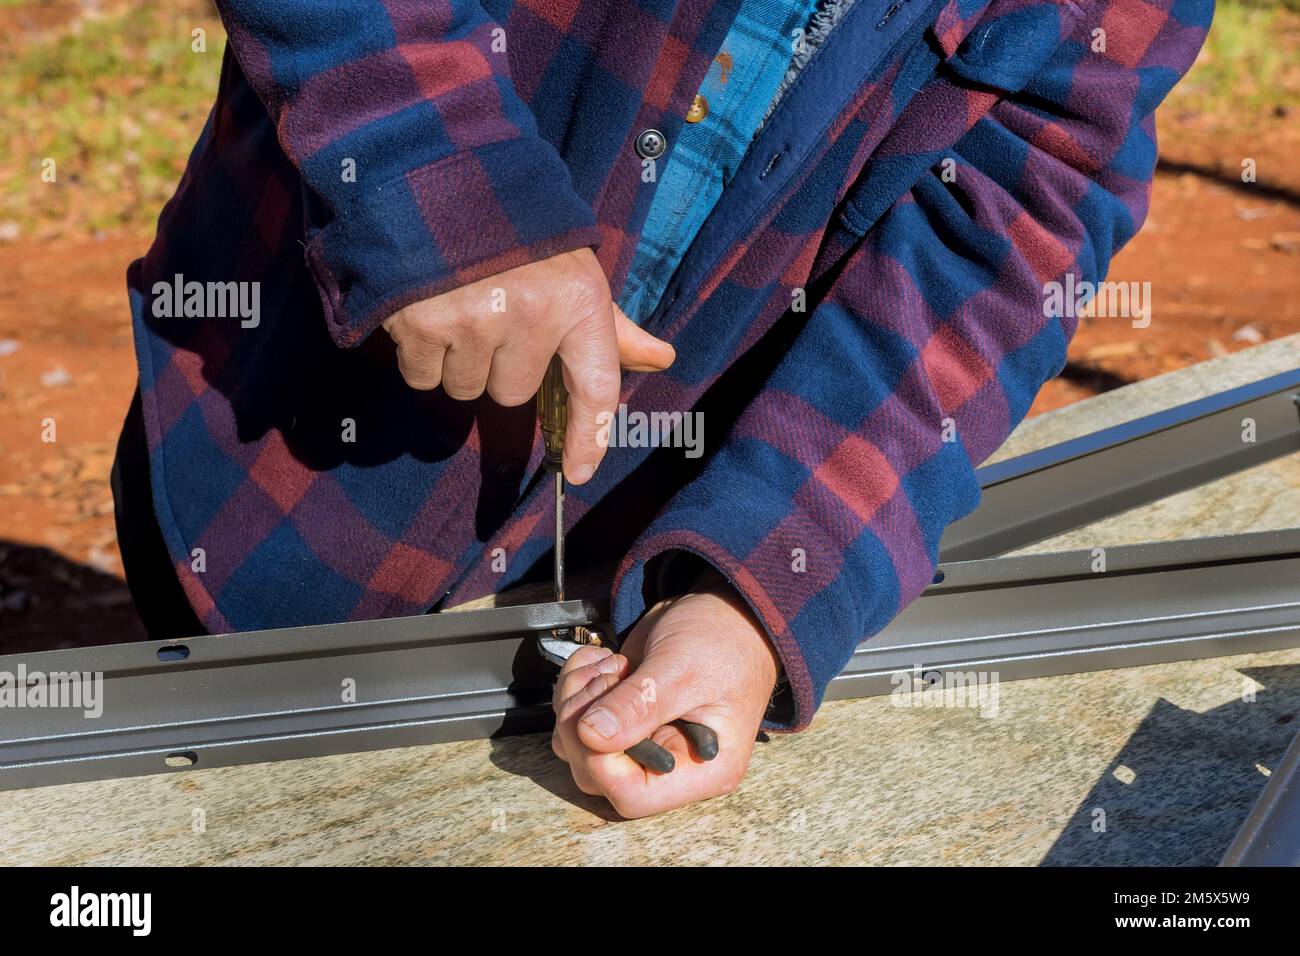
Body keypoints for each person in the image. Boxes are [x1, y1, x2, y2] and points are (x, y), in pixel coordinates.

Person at [113, 0, 1212, 816]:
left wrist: (755, 582)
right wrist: (434, 182)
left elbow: (1011, 226)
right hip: (272, 467)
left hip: (632, 544)